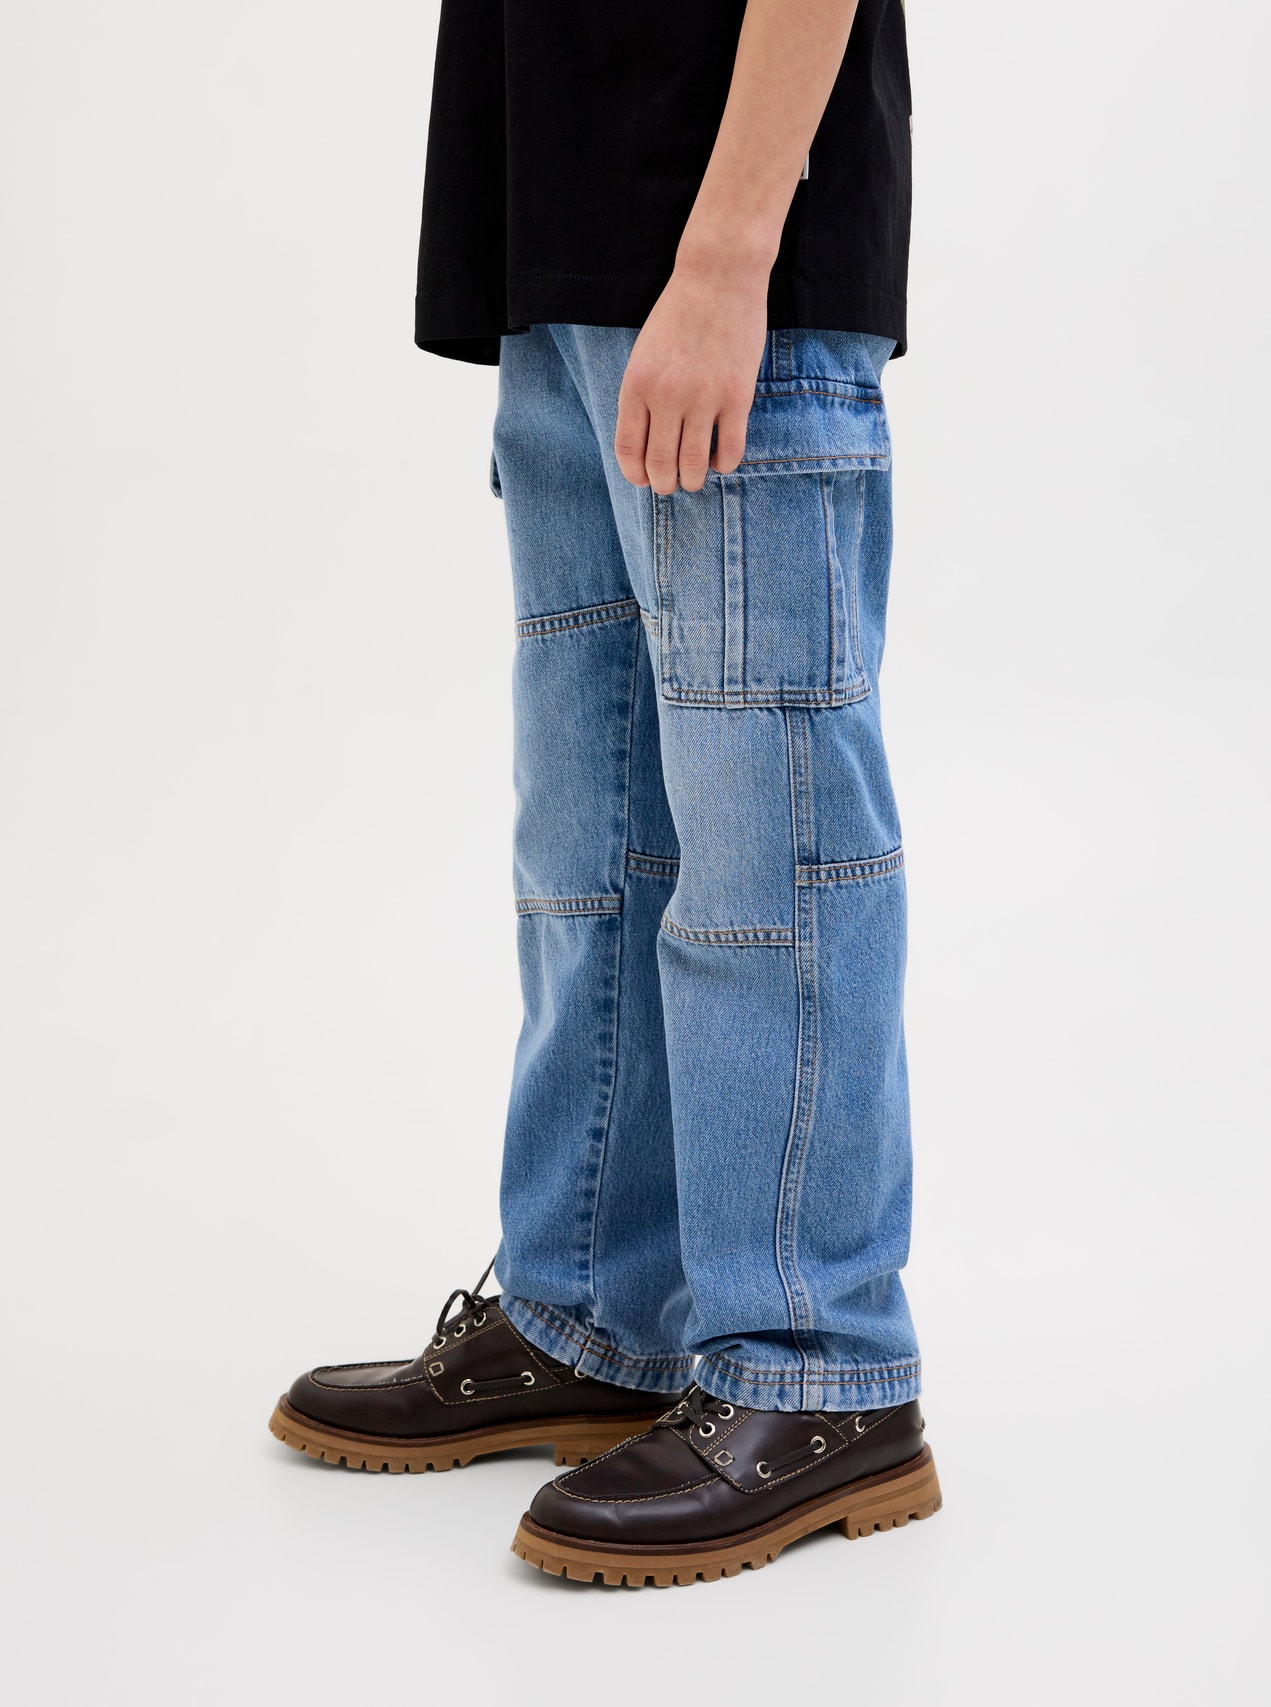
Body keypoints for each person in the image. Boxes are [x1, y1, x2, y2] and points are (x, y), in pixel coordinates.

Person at [269, 0, 941, 1587]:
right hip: (563, 254)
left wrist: (726, 258)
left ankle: (819, 1366)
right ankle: (596, 1312)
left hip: (724, 263)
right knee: (590, 851)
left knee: (769, 857)